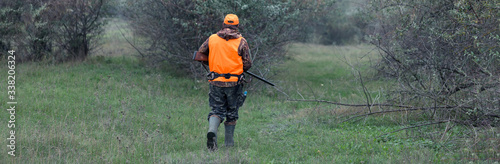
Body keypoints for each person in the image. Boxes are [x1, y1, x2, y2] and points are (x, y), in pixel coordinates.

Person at [197, 14, 252, 151]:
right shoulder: (241, 41)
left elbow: (200, 53)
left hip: (216, 81)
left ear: (223, 24)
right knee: (232, 112)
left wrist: (212, 62)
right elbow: (248, 64)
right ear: (237, 26)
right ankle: (229, 145)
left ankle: (212, 131)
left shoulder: (212, 38)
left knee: (216, 110)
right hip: (234, 83)